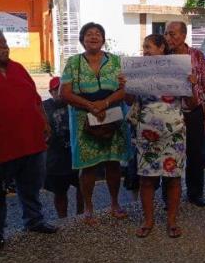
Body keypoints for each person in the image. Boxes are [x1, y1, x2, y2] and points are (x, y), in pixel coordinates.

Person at [0, 28, 57, 250]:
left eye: (5, 41)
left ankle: (33, 221)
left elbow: (35, 99)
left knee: (31, 187)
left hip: (31, 142)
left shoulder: (18, 68)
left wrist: (44, 121)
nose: (5, 46)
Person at [124, 34, 194, 239]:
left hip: (174, 133)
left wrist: (190, 85)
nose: (145, 51)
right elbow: (129, 101)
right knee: (146, 179)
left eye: (149, 47)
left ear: (162, 48)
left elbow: (192, 104)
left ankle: (171, 220)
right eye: (144, 47)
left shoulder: (177, 68)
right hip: (147, 133)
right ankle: (148, 220)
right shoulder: (138, 70)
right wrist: (125, 85)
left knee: (173, 179)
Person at [60, 22, 129, 226]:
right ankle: (89, 208)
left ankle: (115, 204)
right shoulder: (73, 62)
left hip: (113, 116)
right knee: (88, 166)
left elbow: (126, 89)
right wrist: (90, 105)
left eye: (98, 34)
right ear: (82, 39)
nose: (93, 37)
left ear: (103, 39)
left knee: (113, 162)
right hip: (83, 119)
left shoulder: (116, 61)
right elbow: (64, 93)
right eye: (89, 34)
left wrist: (105, 102)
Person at [165, 21, 205, 207]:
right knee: (169, 152)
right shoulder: (163, 56)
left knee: (195, 153)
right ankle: (168, 196)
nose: (168, 38)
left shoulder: (197, 55)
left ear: (183, 35)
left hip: (194, 111)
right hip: (170, 111)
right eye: (167, 34)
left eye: (172, 34)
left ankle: (195, 193)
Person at [43, 77, 84, 218]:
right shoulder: (43, 107)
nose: (60, 93)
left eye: (63, 89)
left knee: (83, 188)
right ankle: (63, 220)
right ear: (50, 92)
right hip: (56, 161)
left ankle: (81, 216)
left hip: (77, 158)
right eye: (56, 89)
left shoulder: (75, 104)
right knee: (60, 194)